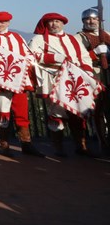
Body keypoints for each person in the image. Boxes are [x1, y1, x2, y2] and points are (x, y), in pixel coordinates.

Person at [28, 12, 97, 157]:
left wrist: (87, 72)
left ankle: (81, 145)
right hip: (53, 79)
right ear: (46, 24)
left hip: (75, 79)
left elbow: (84, 57)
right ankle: (58, 147)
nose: (54, 24)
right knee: (57, 113)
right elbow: (30, 55)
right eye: (51, 22)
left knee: (78, 112)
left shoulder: (72, 39)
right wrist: (54, 57)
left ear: (62, 23)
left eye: (57, 21)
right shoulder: (39, 39)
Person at [0, 11, 43, 157]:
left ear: (8, 23)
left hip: (19, 81)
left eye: (3, 22)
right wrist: (2, 58)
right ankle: (4, 145)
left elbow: (28, 53)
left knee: (22, 111)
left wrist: (28, 61)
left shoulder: (17, 37)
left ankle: (26, 143)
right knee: (2, 111)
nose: (0, 25)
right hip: (0, 82)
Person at [76, 7, 110, 151]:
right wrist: (94, 53)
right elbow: (77, 57)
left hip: (108, 73)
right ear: (83, 21)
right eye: (88, 19)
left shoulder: (107, 34)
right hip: (93, 74)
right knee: (97, 109)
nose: (91, 21)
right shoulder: (79, 38)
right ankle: (102, 141)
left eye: (95, 19)